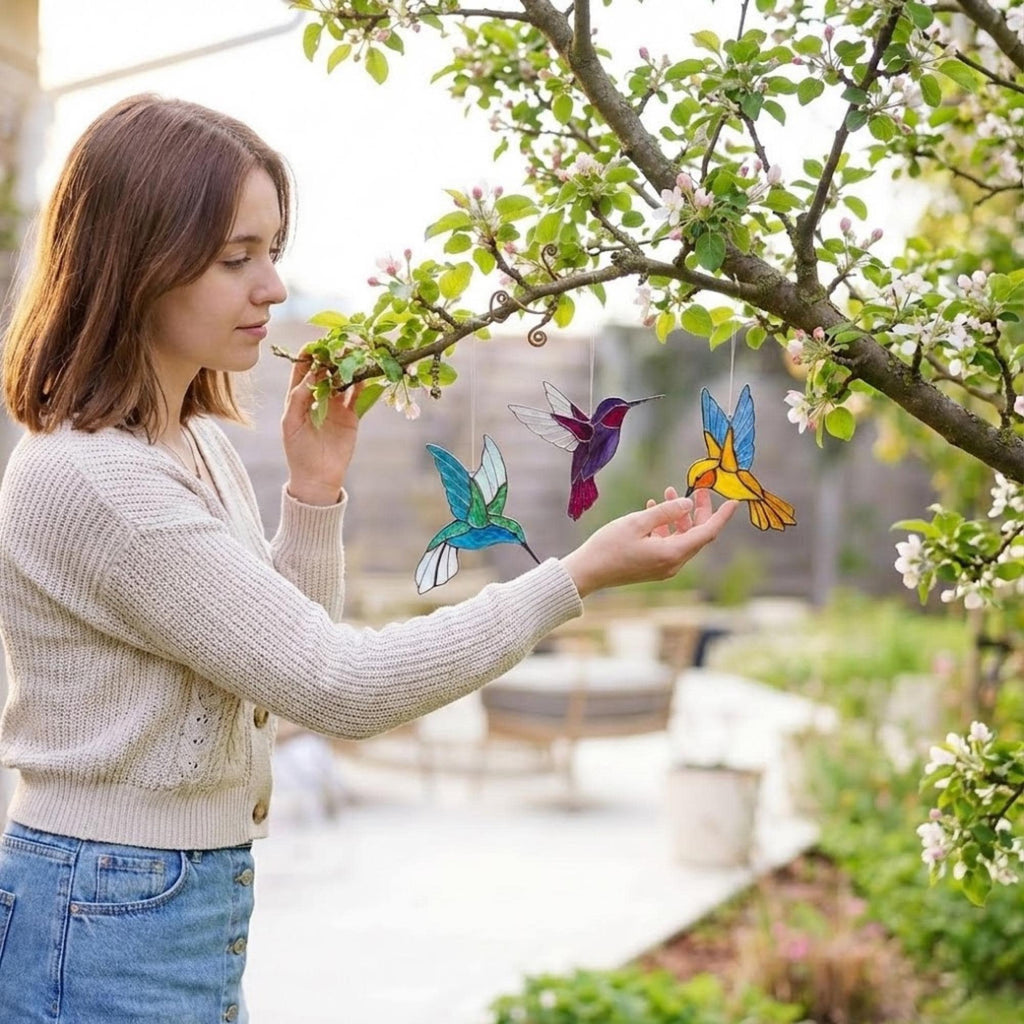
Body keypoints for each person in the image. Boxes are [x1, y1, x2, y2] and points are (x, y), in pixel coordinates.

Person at [0, 94, 737, 1023]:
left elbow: (270, 673)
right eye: (236, 259)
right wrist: (574, 577)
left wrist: (312, 493)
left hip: (153, 900)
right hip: (108, 913)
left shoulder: (185, 447)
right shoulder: (98, 480)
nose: (271, 287)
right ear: (136, 262)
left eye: (273, 251)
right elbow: (336, 685)